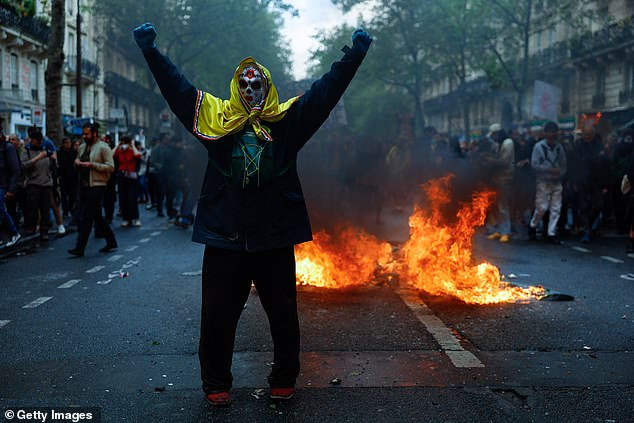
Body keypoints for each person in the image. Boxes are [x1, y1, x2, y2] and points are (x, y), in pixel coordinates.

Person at [133, 22, 372, 406]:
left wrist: (353, 57)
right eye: (243, 85)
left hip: (275, 237)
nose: (250, 91)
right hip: (224, 237)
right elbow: (179, 92)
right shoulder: (215, 121)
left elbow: (324, 94)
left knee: (283, 316)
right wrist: (152, 53)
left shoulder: (288, 122)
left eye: (256, 85)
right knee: (216, 319)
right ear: (235, 88)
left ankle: (283, 379)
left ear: (267, 87)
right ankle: (216, 384)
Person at [68, 123, 118, 257]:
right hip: (84, 184)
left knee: (87, 216)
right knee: (97, 216)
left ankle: (80, 248)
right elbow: (78, 159)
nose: (84, 136)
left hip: (98, 184)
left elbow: (110, 167)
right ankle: (111, 241)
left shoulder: (103, 147)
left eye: (87, 134)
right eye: (83, 134)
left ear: (94, 134)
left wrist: (92, 165)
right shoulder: (83, 147)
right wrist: (77, 162)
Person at [528, 121, 567, 244]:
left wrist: (559, 174)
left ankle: (551, 233)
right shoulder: (538, 147)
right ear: (545, 133)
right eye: (549, 131)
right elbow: (534, 165)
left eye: (554, 131)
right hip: (543, 182)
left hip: (556, 182)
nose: (552, 134)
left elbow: (564, 165)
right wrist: (549, 171)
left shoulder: (559, 148)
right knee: (542, 207)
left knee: (556, 208)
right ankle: (532, 226)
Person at [569, 124, 609, 243]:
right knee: (583, 206)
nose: (587, 137)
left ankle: (589, 226)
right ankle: (586, 230)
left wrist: (605, 184)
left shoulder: (598, 144)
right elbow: (574, 164)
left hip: (596, 180)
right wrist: (574, 181)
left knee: (598, 205)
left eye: (589, 134)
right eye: (585, 134)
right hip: (582, 180)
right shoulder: (578, 145)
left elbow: (605, 165)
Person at [20, 130, 54, 242]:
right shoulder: (27, 151)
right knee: (32, 209)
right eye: (37, 141)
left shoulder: (45, 150)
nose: (39, 143)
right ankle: (31, 228)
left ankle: (44, 231)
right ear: (32, 140)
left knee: (45, 210)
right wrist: (38, 158)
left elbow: (53, 166)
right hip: (33, 184)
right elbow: (24, 166)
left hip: (46, 184)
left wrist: (53, 159)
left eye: (41, 141)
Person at [484, 123, 515, 243]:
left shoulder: (508, 143)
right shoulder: (499, 144)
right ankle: (499, 230)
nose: (493, 138)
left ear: (497, 133)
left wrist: (489, 160)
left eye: (493, 135)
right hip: (497, 178)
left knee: (503, 206)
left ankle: (506, 232)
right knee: (497, 206)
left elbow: (504, 162)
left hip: (505, 178)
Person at [113, 135, 142, 227]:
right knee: (123, 198)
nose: (124, 144)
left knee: (132, 198)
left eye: (126, 142)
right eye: (123, 142)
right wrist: (118, 145)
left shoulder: (132, 150)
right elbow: (111, 154)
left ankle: (136, 218)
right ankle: (126, 219)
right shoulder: (120, 151)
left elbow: (138, 155)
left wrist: (132, 146)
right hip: (121, 175)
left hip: (131, 176)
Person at [0, 130, 21, 246]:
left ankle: (14, 232)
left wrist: (11, 189)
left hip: (4, 184)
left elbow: (15, 170)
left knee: (1, 209)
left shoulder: (8, 148)